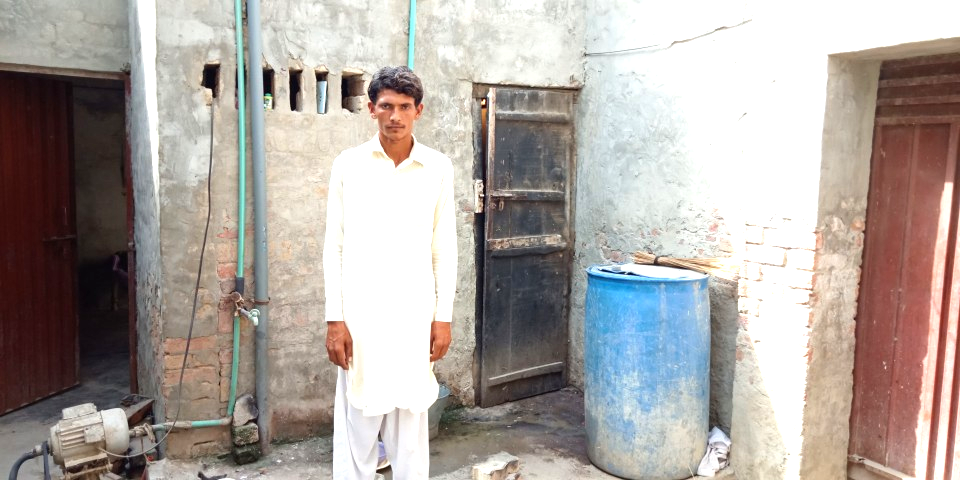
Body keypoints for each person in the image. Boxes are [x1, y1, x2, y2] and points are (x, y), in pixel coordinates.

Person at [322, 66, 457, 480]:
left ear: (419, 110)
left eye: (403, 107)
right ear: (371, 109)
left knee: (411, 425)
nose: (395, 116)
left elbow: (444, 248)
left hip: (414, 317)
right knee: (357, 425)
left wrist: (443, 317)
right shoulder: (349, 165)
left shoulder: (437, 167)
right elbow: (335, 245)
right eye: (386, 106)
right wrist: (335, 319)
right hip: (360, 319)